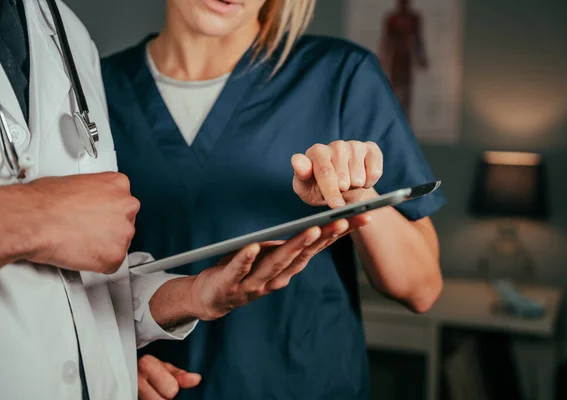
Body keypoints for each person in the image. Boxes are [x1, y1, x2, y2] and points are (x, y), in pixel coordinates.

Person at [0, 1, 363, 399]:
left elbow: (77, 286)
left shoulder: (67, 37)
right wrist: (34, 214)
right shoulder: (111, 76)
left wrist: (196, 294)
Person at [101, 0, 447, 398]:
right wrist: (112, 362)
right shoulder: (94, 90)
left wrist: (353, 191)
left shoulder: (340, 75)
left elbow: (421, 289)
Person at [378, 0, 429, 120]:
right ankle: (394, 120)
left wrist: (421, 57)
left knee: (406, 93)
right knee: (394, 90)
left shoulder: (414, 18)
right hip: (396, 58)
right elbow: (386, 40)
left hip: (407, 58)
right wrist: (383, 59)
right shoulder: (392, 18)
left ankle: (405, 122)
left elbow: (418, 40)